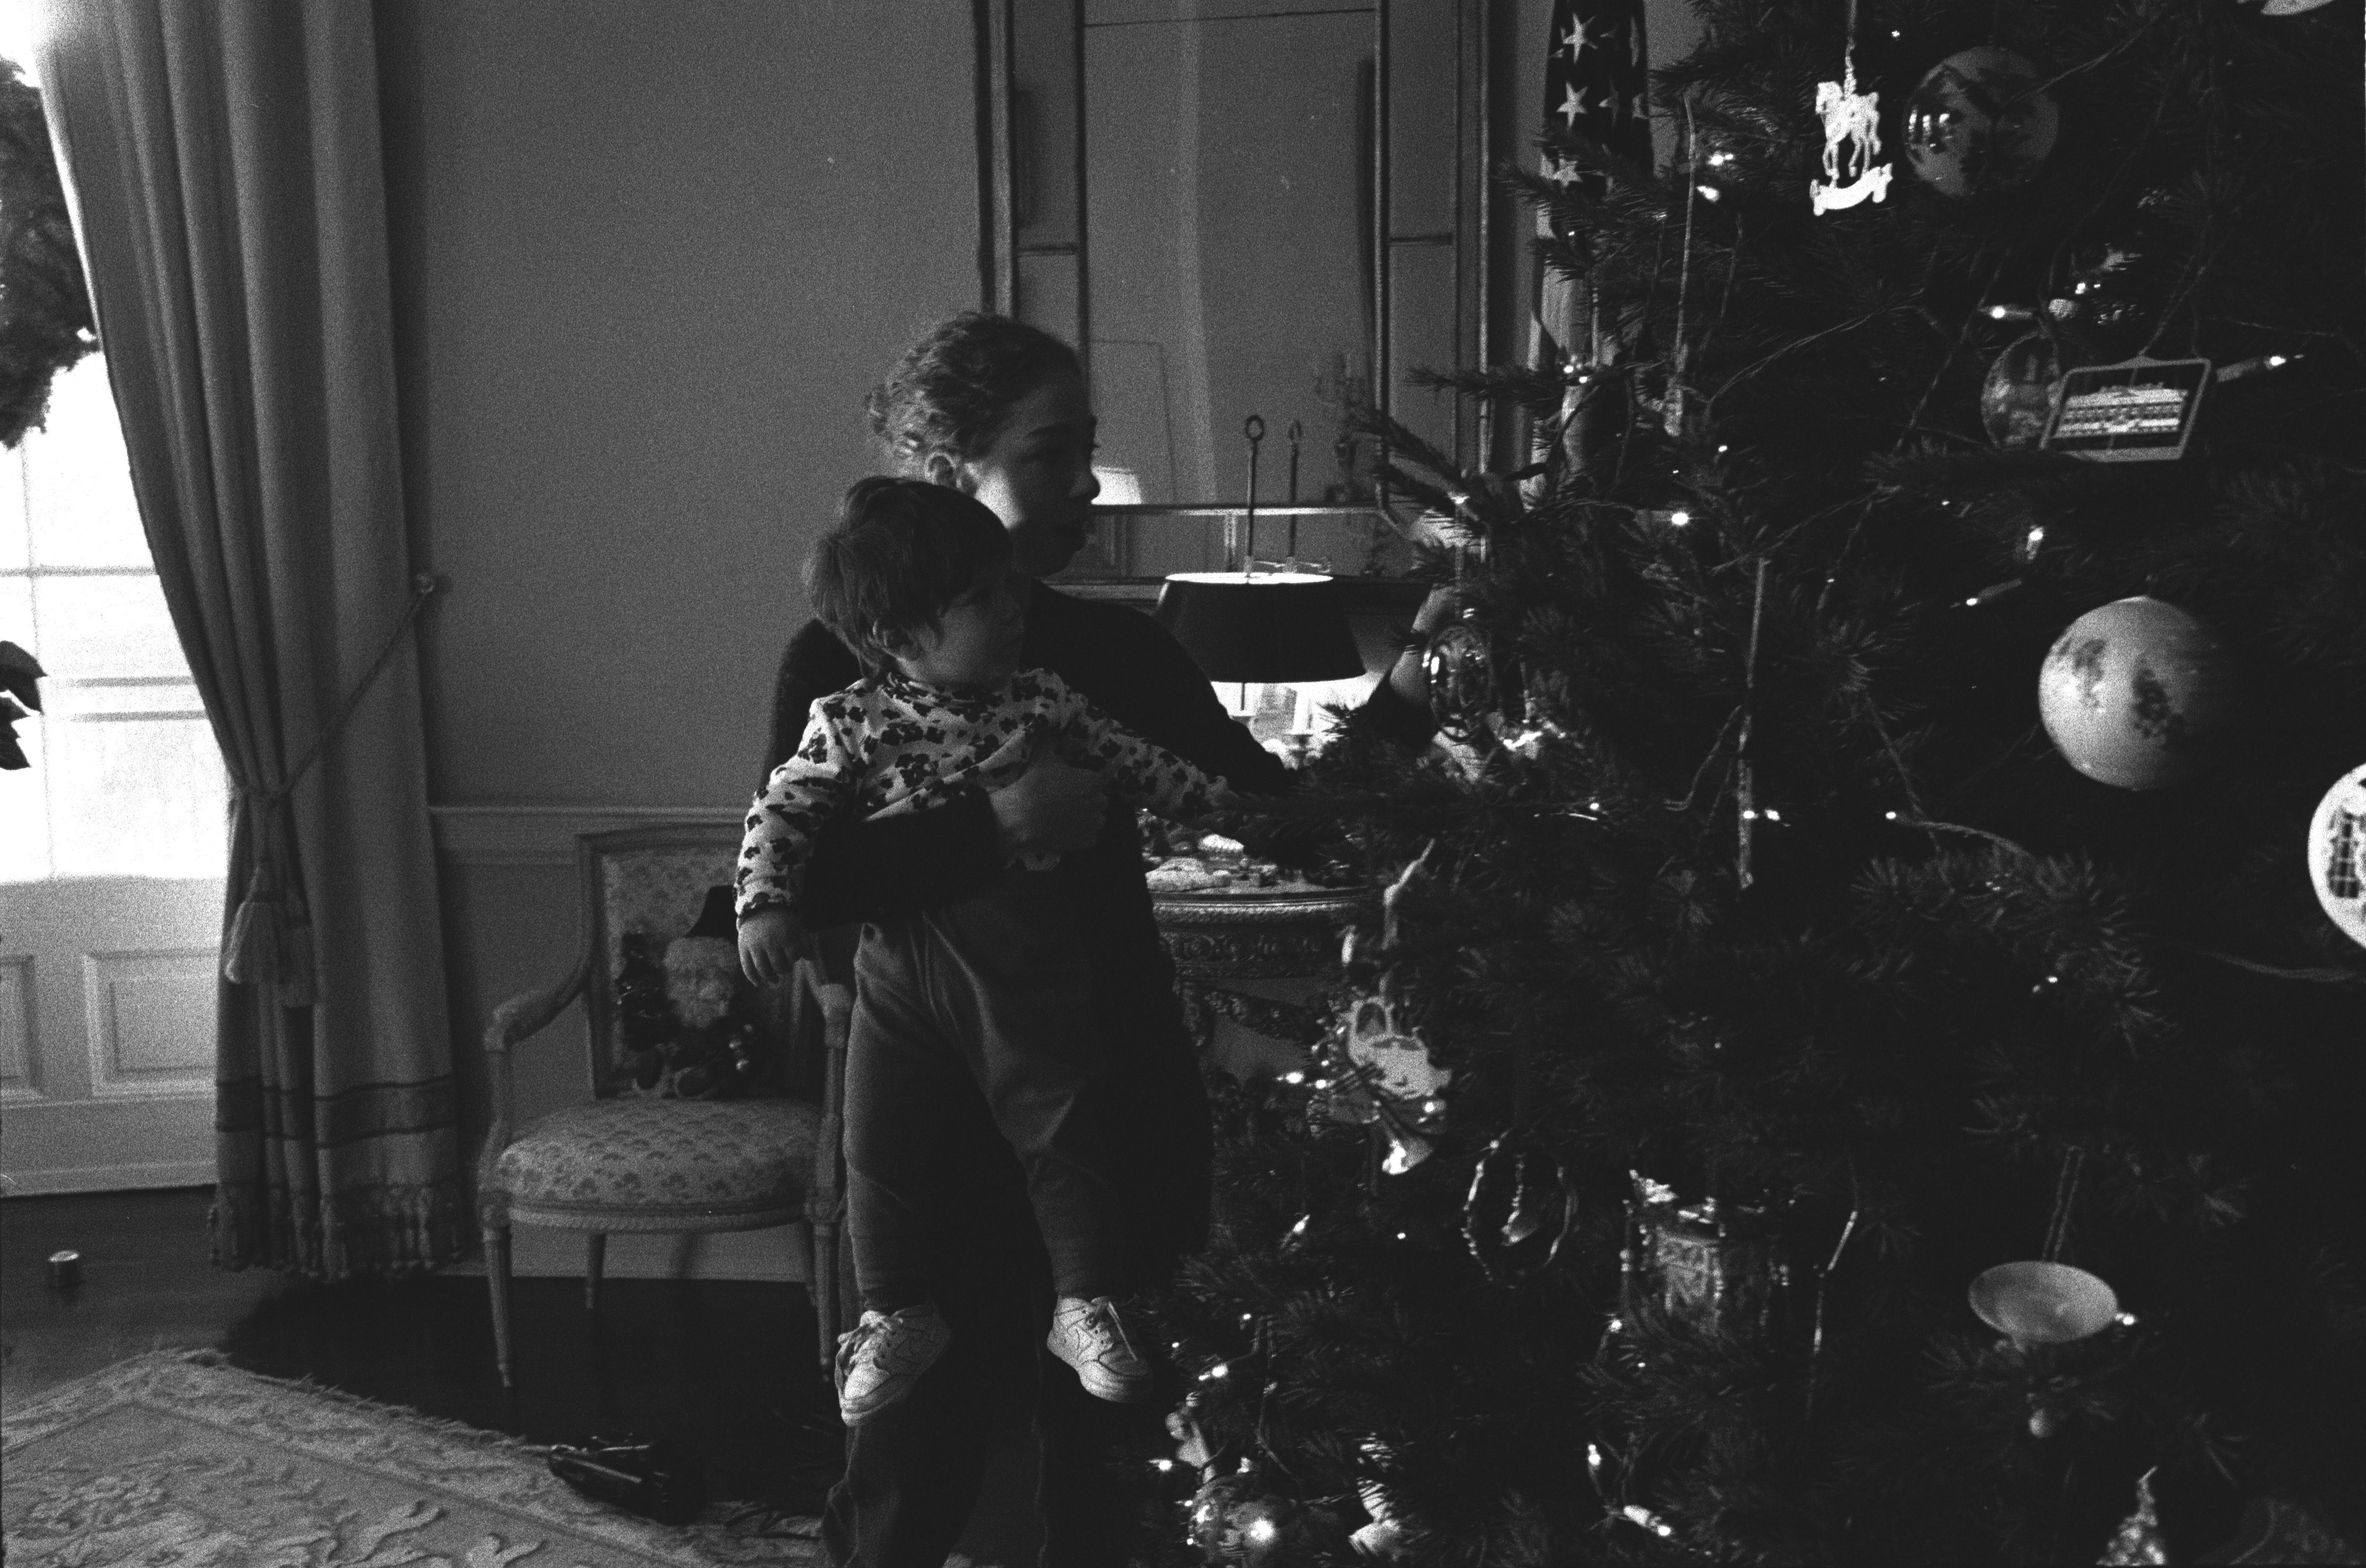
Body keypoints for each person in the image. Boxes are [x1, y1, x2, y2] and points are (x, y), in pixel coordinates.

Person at [756, 311, 1440, 1566]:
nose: (1086, 483)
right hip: (936, 1104)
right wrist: (998, 826)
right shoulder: (843, 652)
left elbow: (1274, 817)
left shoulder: (1119, 649)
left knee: (1115, 1454)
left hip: (1115, 1085)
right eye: (1051, 451)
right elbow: (806, 873)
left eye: (1090, 446)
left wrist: (1408, 691)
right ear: (948, 467)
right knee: (912, 1451)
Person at [736, 476, 1242, 1428]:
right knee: (874, 1140)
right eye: (982, 598)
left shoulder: (1044, 701)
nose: (1014, 610)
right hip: (897, 969)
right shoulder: (847, 717)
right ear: (896, 632)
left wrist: (1215, 802)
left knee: (1061, 1123)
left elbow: (1145, 764)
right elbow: (781, 817)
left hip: (1019, 956)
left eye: (1009, 588)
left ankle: (1084, 1299)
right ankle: (894, 1311)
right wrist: (764, 908)